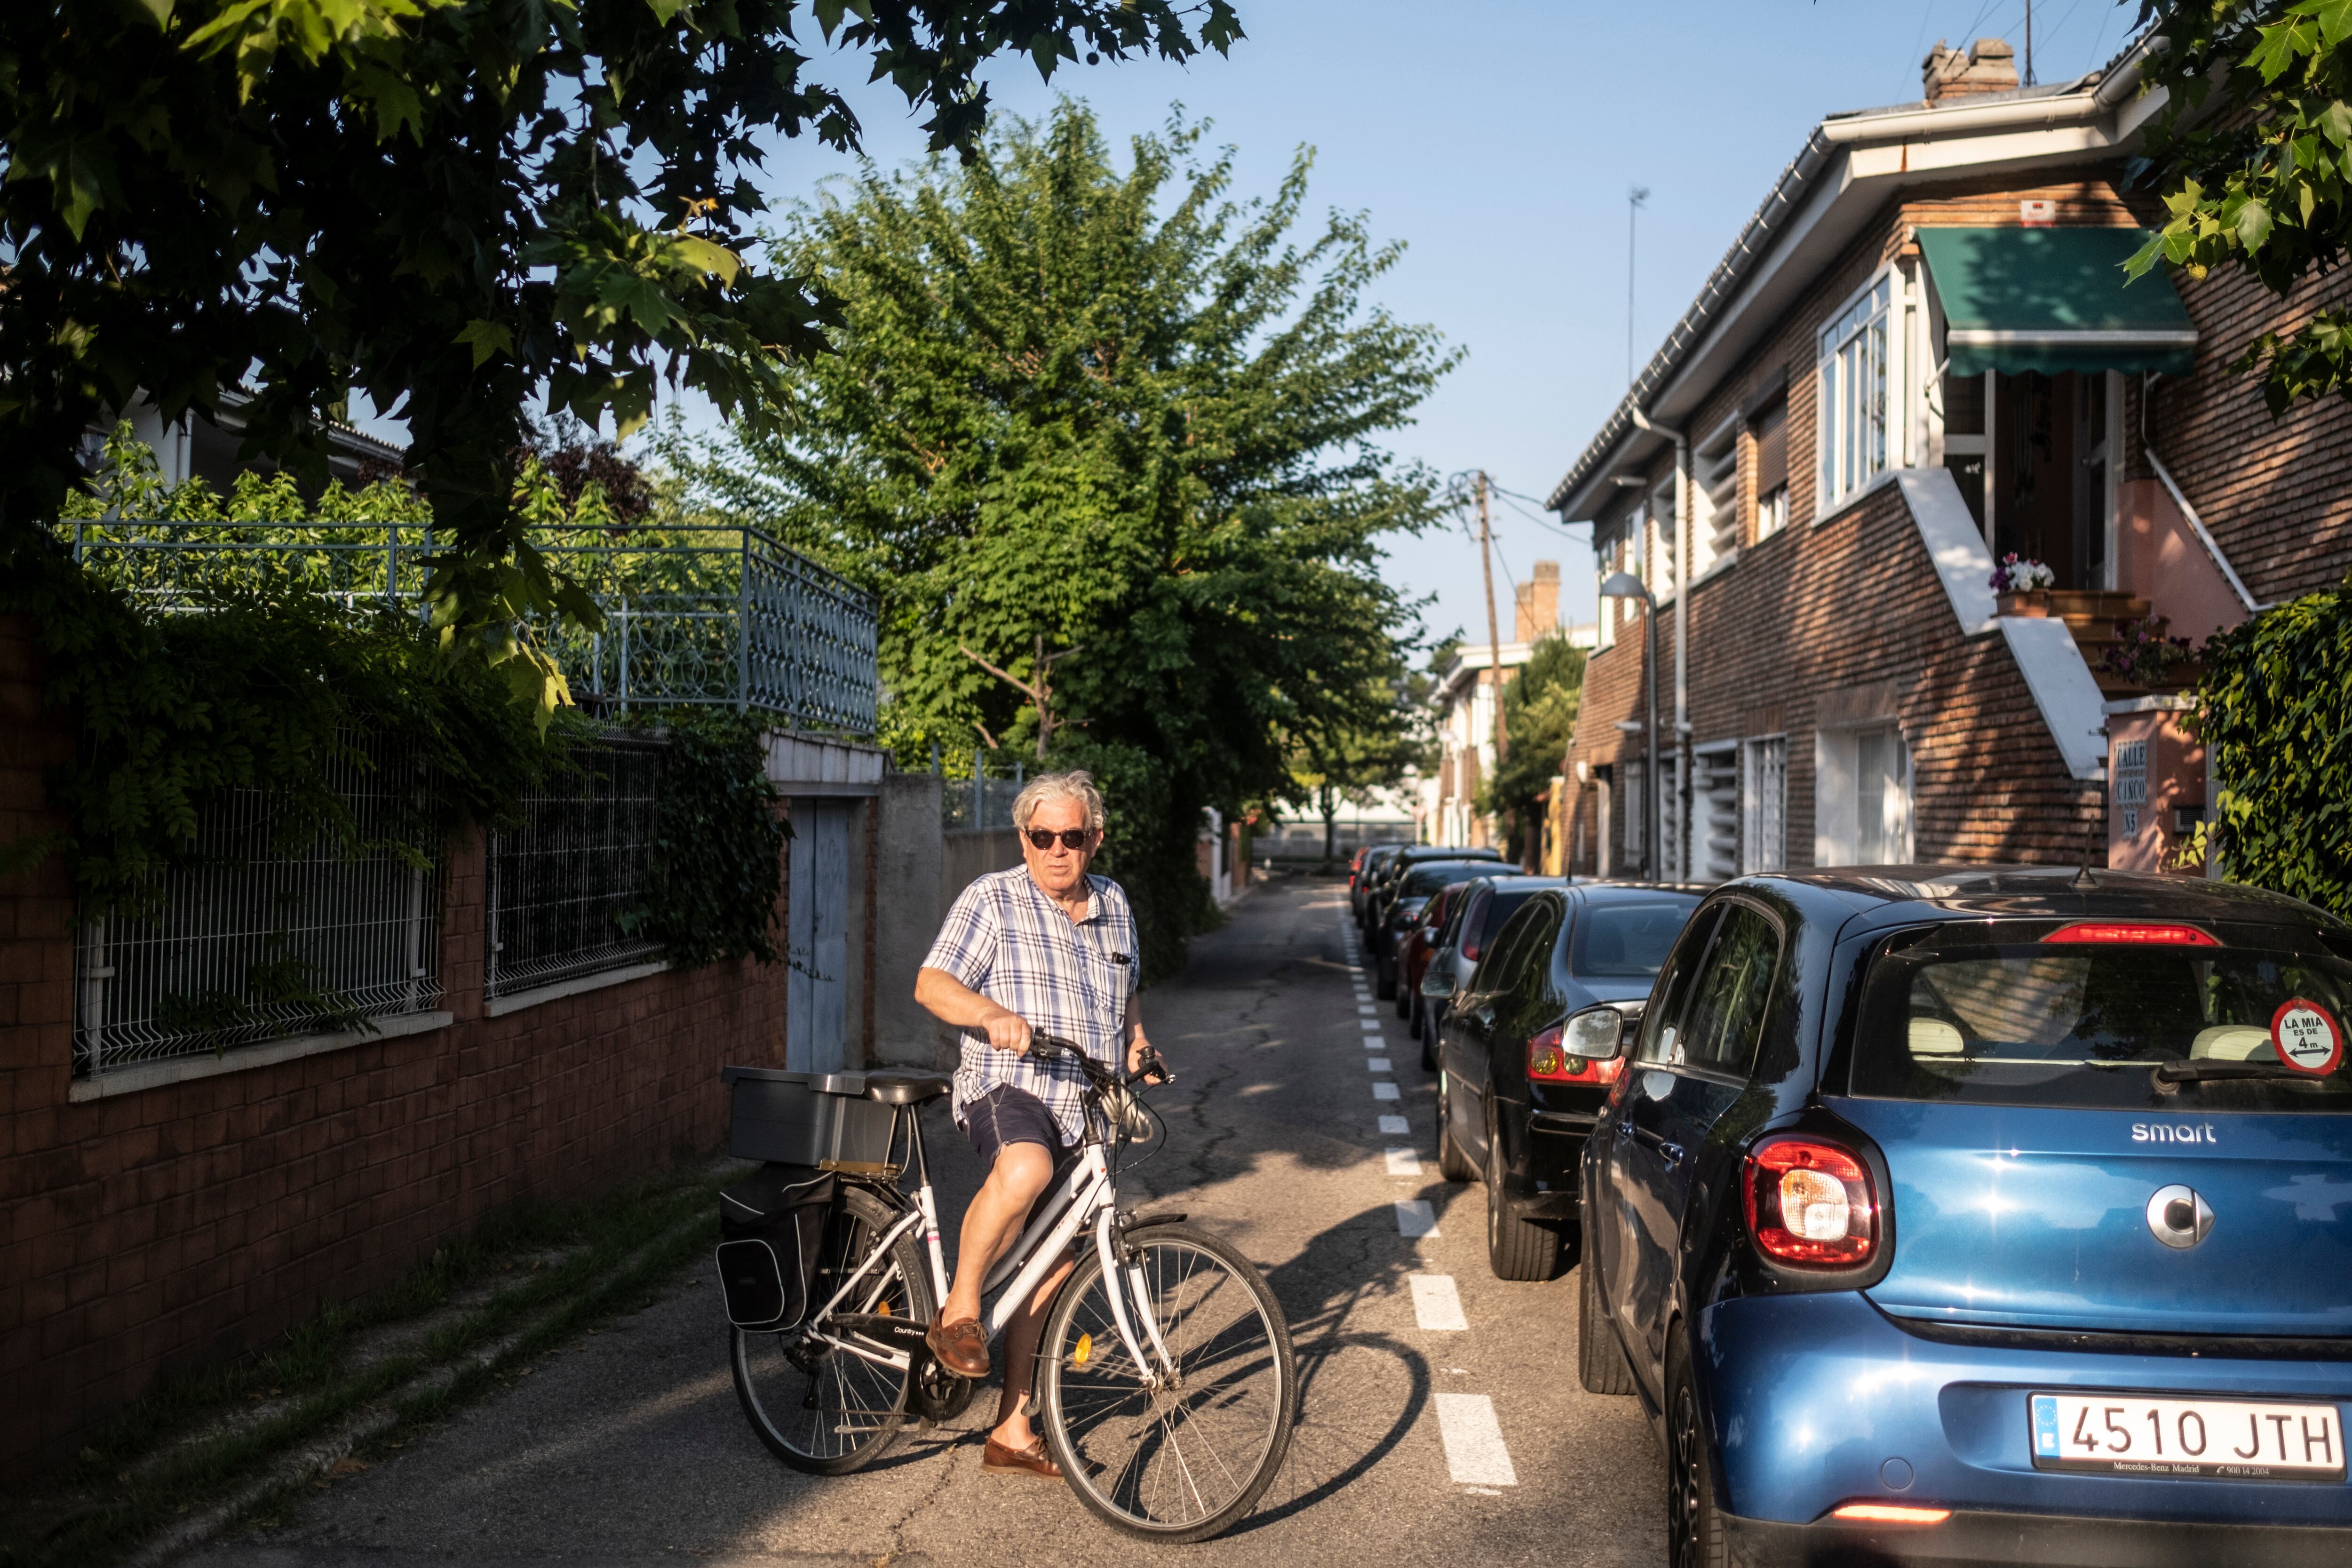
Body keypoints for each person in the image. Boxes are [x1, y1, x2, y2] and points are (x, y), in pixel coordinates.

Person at [912, 769, 1160, 1480]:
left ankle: (1012, 1427)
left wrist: (1138, 1042)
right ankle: (959, 1309)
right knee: (1027, 1168)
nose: (1057, 849)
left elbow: (1129, 990)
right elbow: (933, 983)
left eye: (1072, 836)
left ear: (1096, 839)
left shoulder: (1114, 902)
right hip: (1009, 1084)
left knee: (1048, 1268)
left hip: (1090, 1103)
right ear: (1024, 837)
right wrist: (990, 1014)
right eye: (1042, 836)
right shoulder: (992, 898)